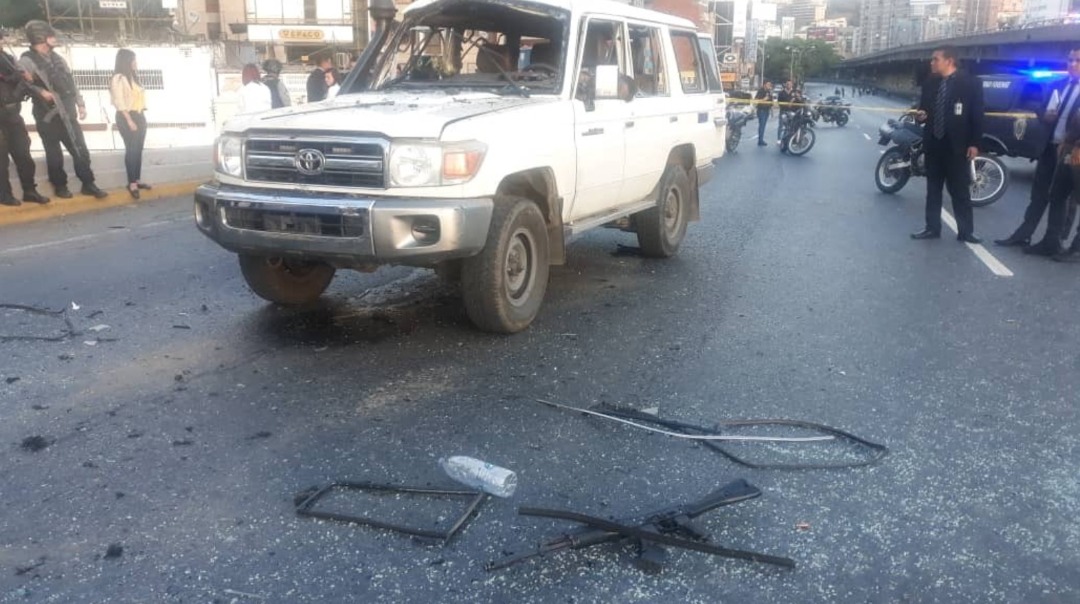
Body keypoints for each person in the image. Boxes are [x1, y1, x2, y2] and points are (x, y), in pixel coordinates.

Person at [996, 48, 1080, 248]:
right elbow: (1042, 108)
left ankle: (1055, 239)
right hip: (1049, 147)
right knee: (1039, 194)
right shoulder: (1058, 85)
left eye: (1078, 60)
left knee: (1065, 199)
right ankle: (1024, 233)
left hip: (1071, 151)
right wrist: (1045, 115)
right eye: (1070, 59)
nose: (1073, 64)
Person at [19, 20, 106, 199]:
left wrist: (80, 103)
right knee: (54, 154)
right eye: (50, 35)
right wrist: (40, 91)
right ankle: (60, 186)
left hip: (67, 111)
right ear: (40, 38)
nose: (54, 38)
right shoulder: (27, 60)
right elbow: (22, 85)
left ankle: (88, 183)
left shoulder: (57, 58)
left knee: (80, 148)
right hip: (47, 115)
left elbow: (70, 83)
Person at [910, 46, 984, 244]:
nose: (932, 63)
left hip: (957, 146)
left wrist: (975, 143)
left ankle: (966, 231)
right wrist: (921, 116)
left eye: (936, 59)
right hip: (934, 144)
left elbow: (977, 115)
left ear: (949, 61)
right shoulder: (930, 83)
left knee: (959, 190)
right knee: (933, 190)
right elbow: (922, 110)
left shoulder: (970, 84)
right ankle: (932, 228)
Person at [1026, 99, 1080, 259]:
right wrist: (1067, 141)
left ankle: (1076, 249)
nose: (1071, 71)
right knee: (1058, 195)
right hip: (1070, 147)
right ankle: (1051, 242)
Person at [0, 35, 48, 206]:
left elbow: (22, 80)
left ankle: (29, 190)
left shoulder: (8, 59)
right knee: (1, 160)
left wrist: (24, 77)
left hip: (13, 114)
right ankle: (4, 195)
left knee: (23, 155)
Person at [109, 49, 150, 200]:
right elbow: (119, 102)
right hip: (127, 116)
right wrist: (129, 120)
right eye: (133, 60)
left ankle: (137, 179)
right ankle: (131, 182)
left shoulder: (133, 77)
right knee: (131, 149)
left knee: (138, 148)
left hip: (139, 115)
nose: (135, 63)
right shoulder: (118, 78)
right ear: (126, 61)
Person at [754, 81, 773, 146]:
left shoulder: (769, 92)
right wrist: (764, 99)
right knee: (761, 125)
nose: (769, 86)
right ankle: (760, 140)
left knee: (763, 125)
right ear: (764, 85)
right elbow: (756, 99)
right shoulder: (761, 91)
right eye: (768, 84)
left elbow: (771, 100)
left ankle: (761, 139)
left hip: (767, 110)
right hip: (761, 110)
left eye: (770, 84)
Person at [776, 80, 794, 144]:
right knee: (781, 125)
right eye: (787, 84)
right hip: (783, 111)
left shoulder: (794, 92)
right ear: (785, 85)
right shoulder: (781, 93)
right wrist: (786, 104)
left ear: (792, 85)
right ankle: (778, 139)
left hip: (791, 111)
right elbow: (779, 101)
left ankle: (785, 138)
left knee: (789, 126)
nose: (788, 85)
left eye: (790, 84)